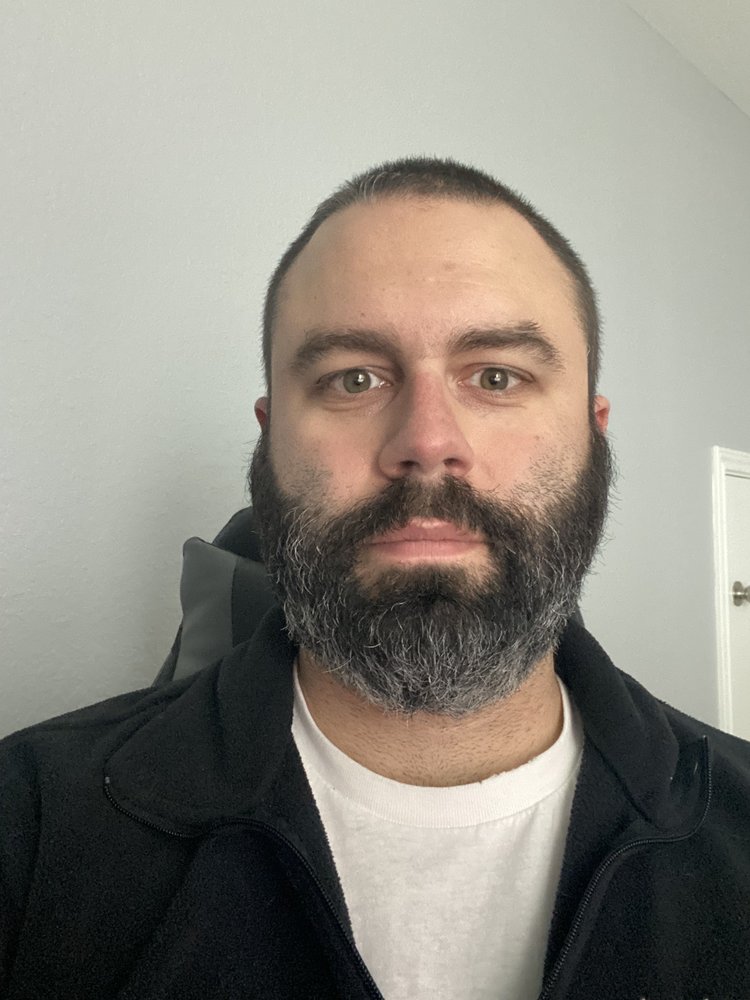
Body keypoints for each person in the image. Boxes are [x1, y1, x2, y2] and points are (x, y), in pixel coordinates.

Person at [1, 157, 749, 1000]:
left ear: (592, 431)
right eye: (353, 379)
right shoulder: (28, 826)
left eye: (496, 376)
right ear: (270, 437)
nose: (427, 441)